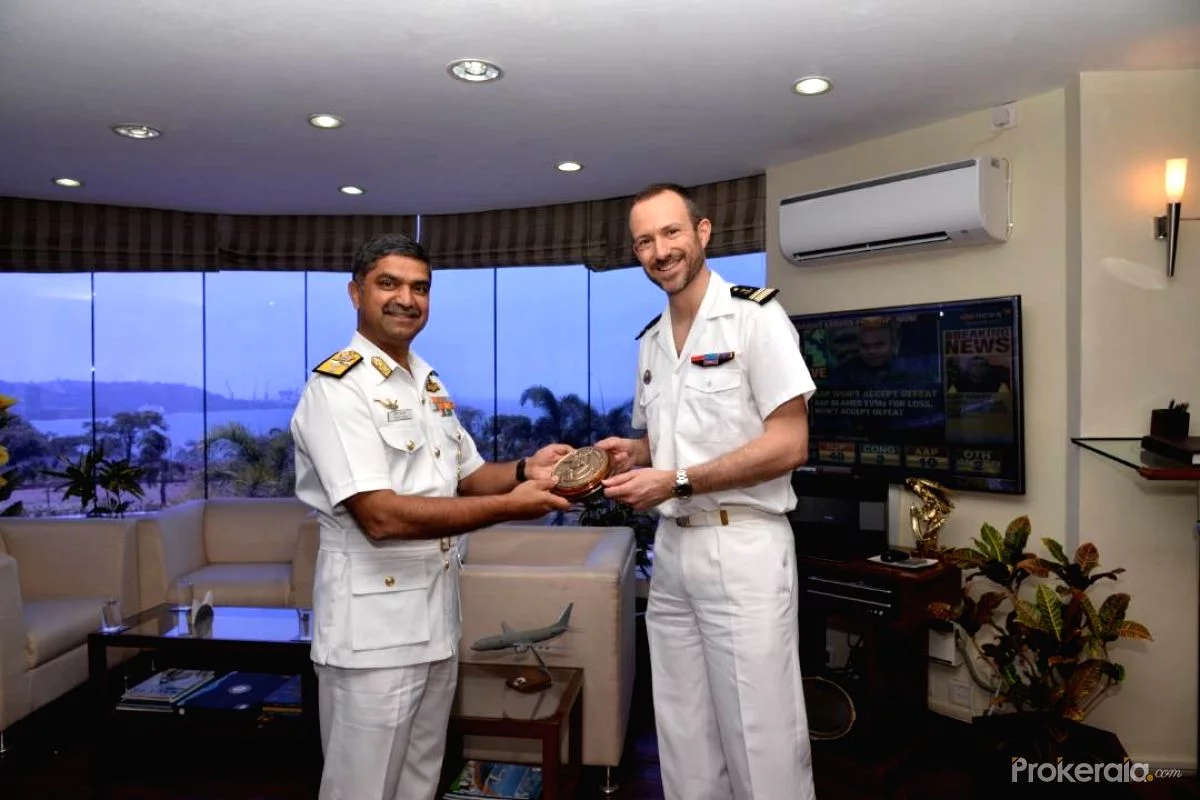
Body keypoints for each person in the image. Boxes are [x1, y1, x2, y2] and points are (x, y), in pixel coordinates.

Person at [290, 232, 573, 800]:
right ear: (355, 293)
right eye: (388, 284)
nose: (406, 299)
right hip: (371, 635)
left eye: (420, 287)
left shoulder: (426, 381)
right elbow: (380, 517)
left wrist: (526, 470)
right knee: (361, 789)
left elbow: (466, 475)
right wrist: (508, 509)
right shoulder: (337, 389)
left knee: (420, 781)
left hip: (435, 624)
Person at [596, 183, 818, 800]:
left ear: (702, 233)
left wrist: (677, 478)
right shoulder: (651, 340)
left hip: (742, 544)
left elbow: (789, 443)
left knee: (761, 733)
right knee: (683, 731)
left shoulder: (755, 316)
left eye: (670, 233)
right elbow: (666, 447)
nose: (659, 250)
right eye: (644, 241)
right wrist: (632, 454)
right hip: (674, 552)